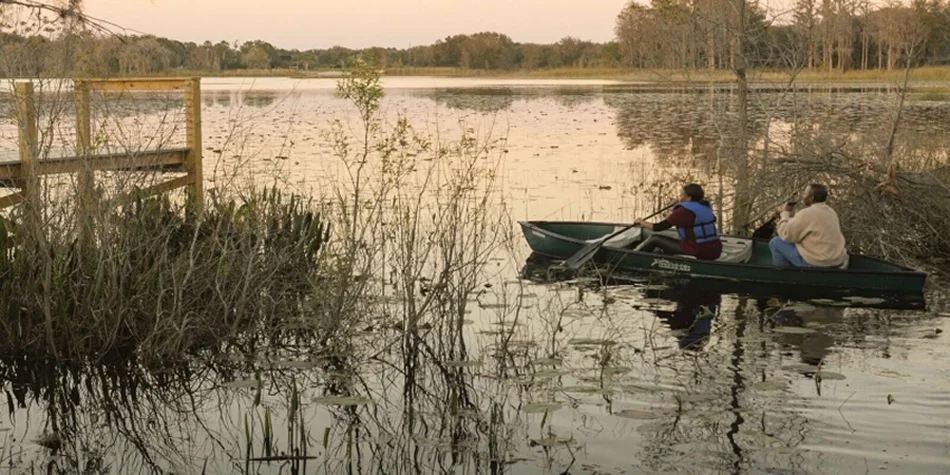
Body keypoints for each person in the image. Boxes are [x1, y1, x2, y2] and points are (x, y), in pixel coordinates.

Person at [634, 184, 723, 260]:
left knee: (654, 239)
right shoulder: (705, 206)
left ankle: (634, 257)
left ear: (688, 198)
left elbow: (658, 227)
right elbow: (691, 218)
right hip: (714, 249)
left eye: (681, 195)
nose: (679, 197)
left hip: (698, 250)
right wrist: (679, 204)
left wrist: (641, 222)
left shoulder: (683, 211)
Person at [769, 184, 847, 267]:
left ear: (811, 198)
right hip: (835, 261)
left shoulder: (806, 213)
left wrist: (785, 214)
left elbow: (786, 235)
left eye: (805, 194)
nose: (803, 196)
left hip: (816, 262)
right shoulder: (831, 212)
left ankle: (785, 275)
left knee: (775, 242)